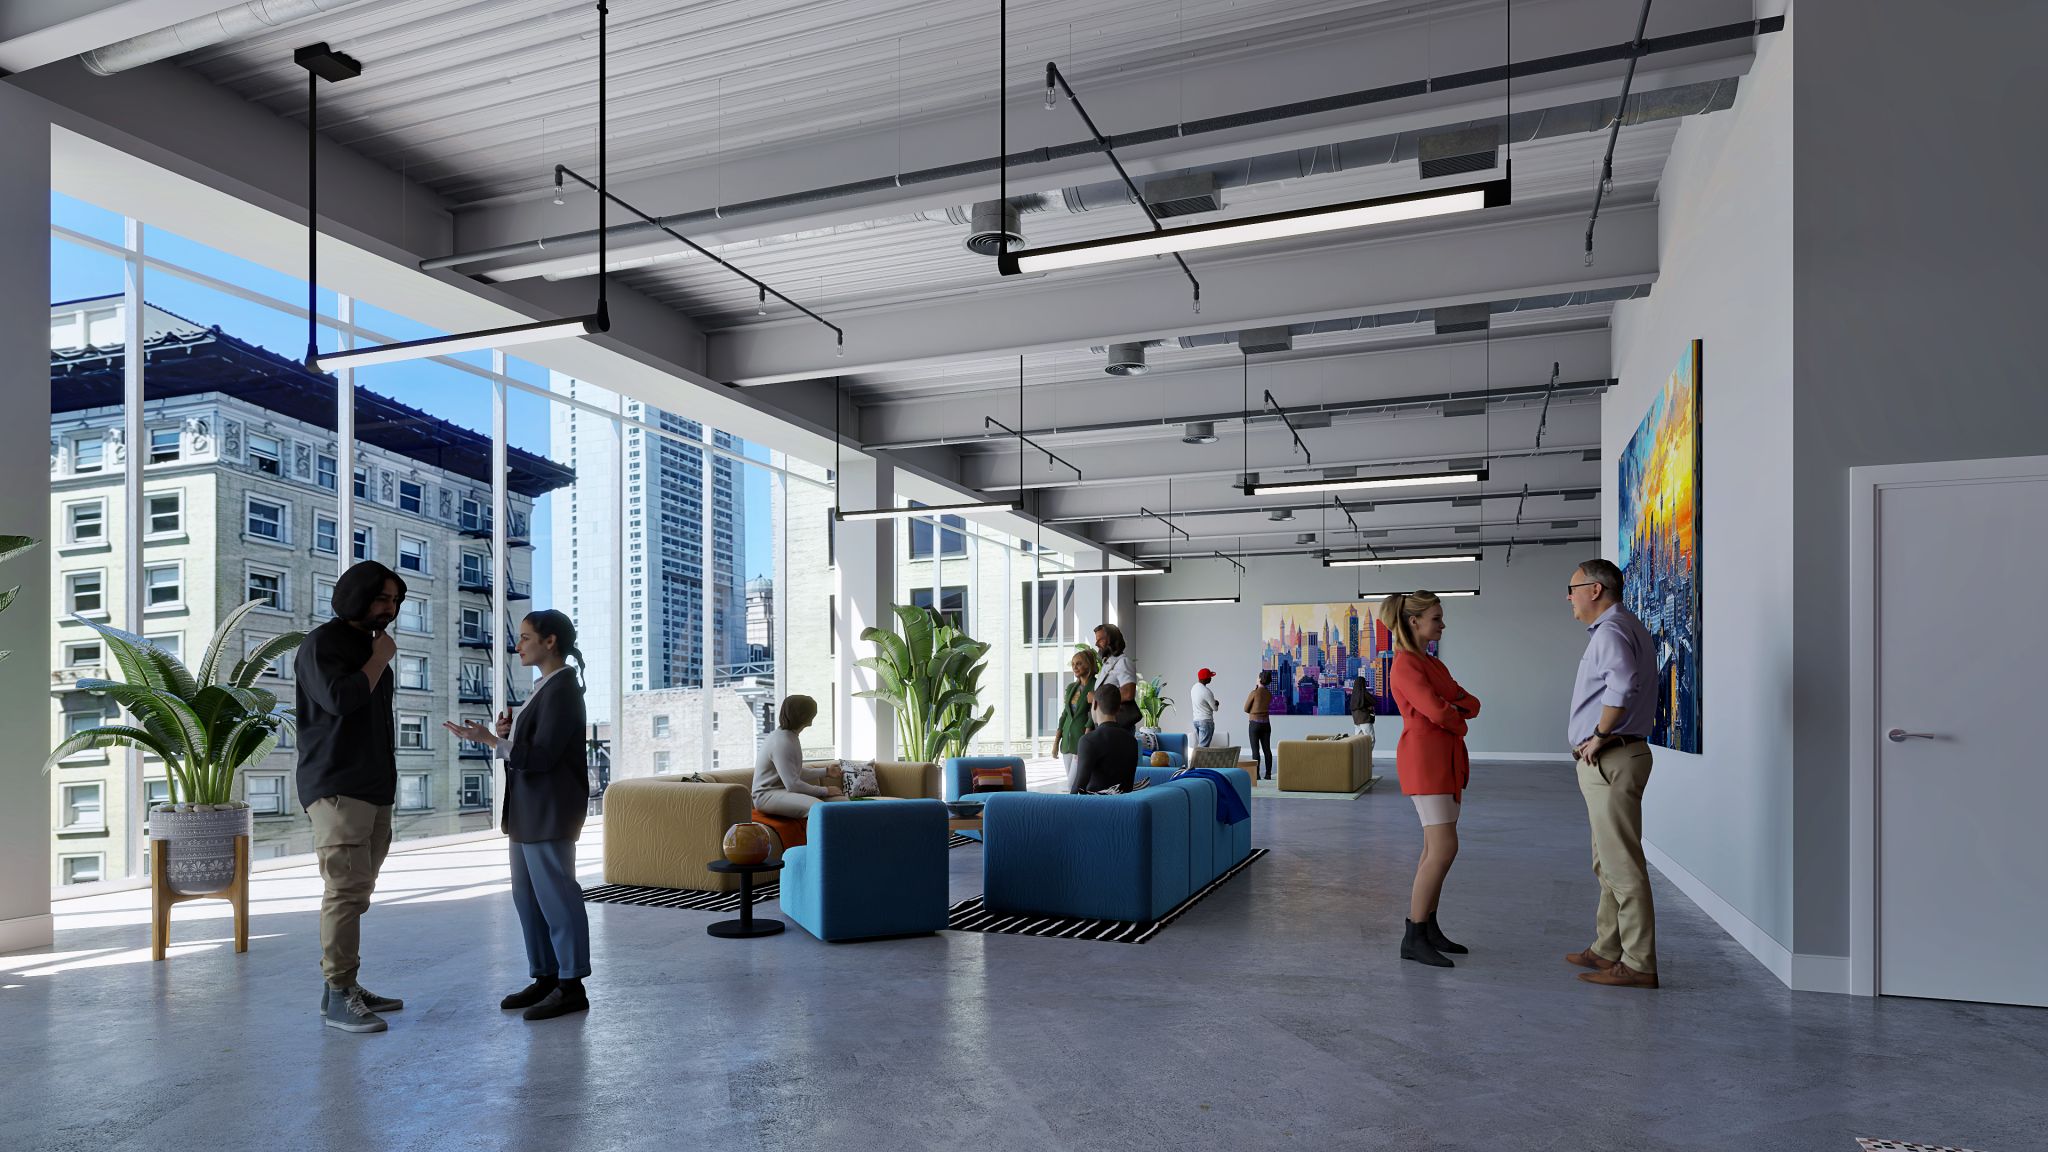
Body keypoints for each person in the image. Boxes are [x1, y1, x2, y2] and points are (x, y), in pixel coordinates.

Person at [444, 610, 593, 1022]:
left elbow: (544, 758)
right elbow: (532, 750)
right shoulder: (542, 688)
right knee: (528, 899)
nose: (518, 645)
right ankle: (546, 976)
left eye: (526, 637)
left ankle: (571, 984)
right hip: (528, 811)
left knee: (557, 898)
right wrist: (505, 736)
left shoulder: (562, 688)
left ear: (550, 641)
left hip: (548, 811)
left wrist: (492, 739)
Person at [295, 560, 406, 1034]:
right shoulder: (323, 644)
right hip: (337, 787)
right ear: (357, 596)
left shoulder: (370, 646)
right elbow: (341, 700)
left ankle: (341, 988)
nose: (391, 609)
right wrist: (380, 660)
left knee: (357, 891)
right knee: (343, 891)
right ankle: (340, 993)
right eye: (383, 599)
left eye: (396, 601)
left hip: (375, 788)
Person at [1563, 558, 1663, 990]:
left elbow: (1621, 685)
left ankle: (1639, 962)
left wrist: (1600, 735)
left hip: (1612, 758)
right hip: (1620, 757)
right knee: (1607, 860)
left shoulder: (1610, 631)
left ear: (1595, 590)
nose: (1569, 597)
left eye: (1572, 588)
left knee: (1621, 865)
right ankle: (1607, 948)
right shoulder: (1627, 626)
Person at [1383, 589, 1481, 968]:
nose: (1442, 624)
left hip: (1445, 758)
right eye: (1437, 618)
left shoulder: (1431, 664)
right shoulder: (1407, 665)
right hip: (1426, 760)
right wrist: (1452, 713)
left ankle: (1429, 927)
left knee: (1434, 847)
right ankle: (1414, 934)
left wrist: (1450, 711)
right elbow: (1439, 712)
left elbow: (1469, 702)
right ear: (1414, 622)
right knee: (1443, 848)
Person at [753, 695, 843, 817]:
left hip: (783, 791)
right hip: (766, 795)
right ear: (806, 717)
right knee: (820, 809)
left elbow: (794, 773)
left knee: (842, 803)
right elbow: (793, 785)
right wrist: (825, 790)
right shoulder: (782, 742)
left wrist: (826, 771)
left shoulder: (790, 736)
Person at [1072, 684, 1140, 794]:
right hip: (1125, 806)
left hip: (1098, 807)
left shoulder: (1088, 741)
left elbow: (1078, 787)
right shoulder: (1132, 741)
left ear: (1095, 704)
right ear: (1118, 708)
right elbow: (1128, 786)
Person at [1056, 648, 1100, 794]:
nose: (1075, 667)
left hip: (1083, 739)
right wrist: (1056, 742)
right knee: (1076, 785)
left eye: (1079, 663)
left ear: (1089, 665)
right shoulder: (1071, 688)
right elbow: (1064, 715)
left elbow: (1092, 714)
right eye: (1073, 664)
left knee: (1072, 785)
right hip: (1067, 742)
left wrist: (1085, 739)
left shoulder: (1096, 685)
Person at [1093, 623, 1140, 726]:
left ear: (1113, 639)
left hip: (1118, 726)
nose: (1096, 644)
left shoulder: (1123, 662)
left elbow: (1128, 693)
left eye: (1100, 639)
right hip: (1106, 725)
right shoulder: (1108, 664)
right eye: (1096, 640)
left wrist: (1096, 697)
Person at [1243, 670, 1275, 781]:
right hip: (1266, 724)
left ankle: (1256, 775)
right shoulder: (1269, 694)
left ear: (1260, 679)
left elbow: (1246, 708)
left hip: (1254, 724)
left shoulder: (1254, 693)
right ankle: (1268, 774)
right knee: (1267, 750)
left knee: (1255, 751)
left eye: (1257, 677)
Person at [1190, 668, 1220, 748]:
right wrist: (1217, 703)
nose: (1211, 678)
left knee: (1201, 746)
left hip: (1196, 720)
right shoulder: (1207, 691)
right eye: (1210, 677)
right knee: (1203, 748)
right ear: (1206, 678)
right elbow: (1215, 708)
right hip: (1206, 721)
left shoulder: (1194, 688)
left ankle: (1196, 760)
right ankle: (1196, 761)